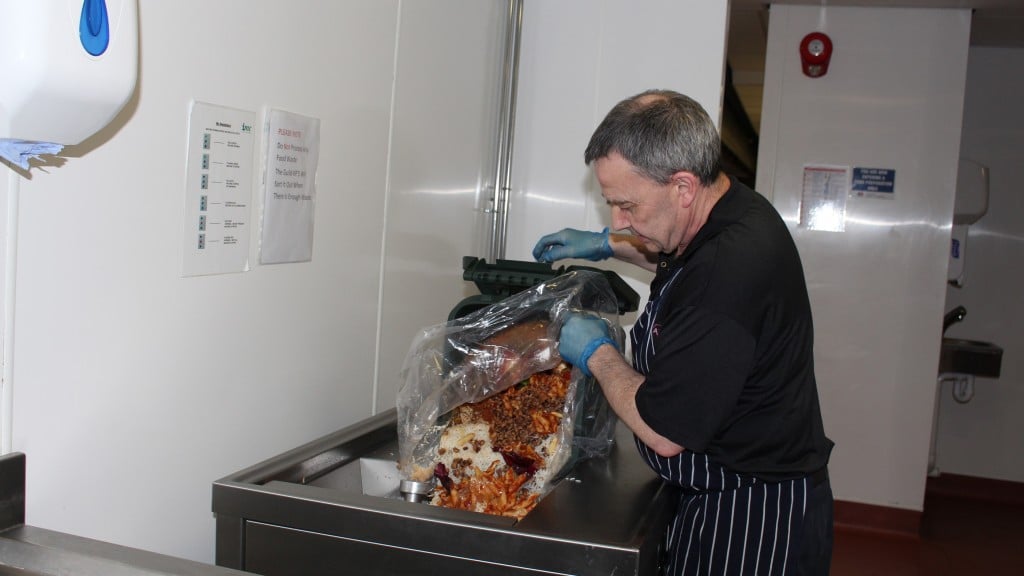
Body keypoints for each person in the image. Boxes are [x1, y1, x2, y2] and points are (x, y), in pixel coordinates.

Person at [533, 89, 834, 576]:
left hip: (754, 517)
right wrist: (606, 246)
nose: (619, 220)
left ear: (683, 187)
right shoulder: (725, 211)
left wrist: (597, 353)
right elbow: (670, 248)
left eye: (627, 206)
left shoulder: (728, 271)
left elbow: (666, 430)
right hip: (727, 491)